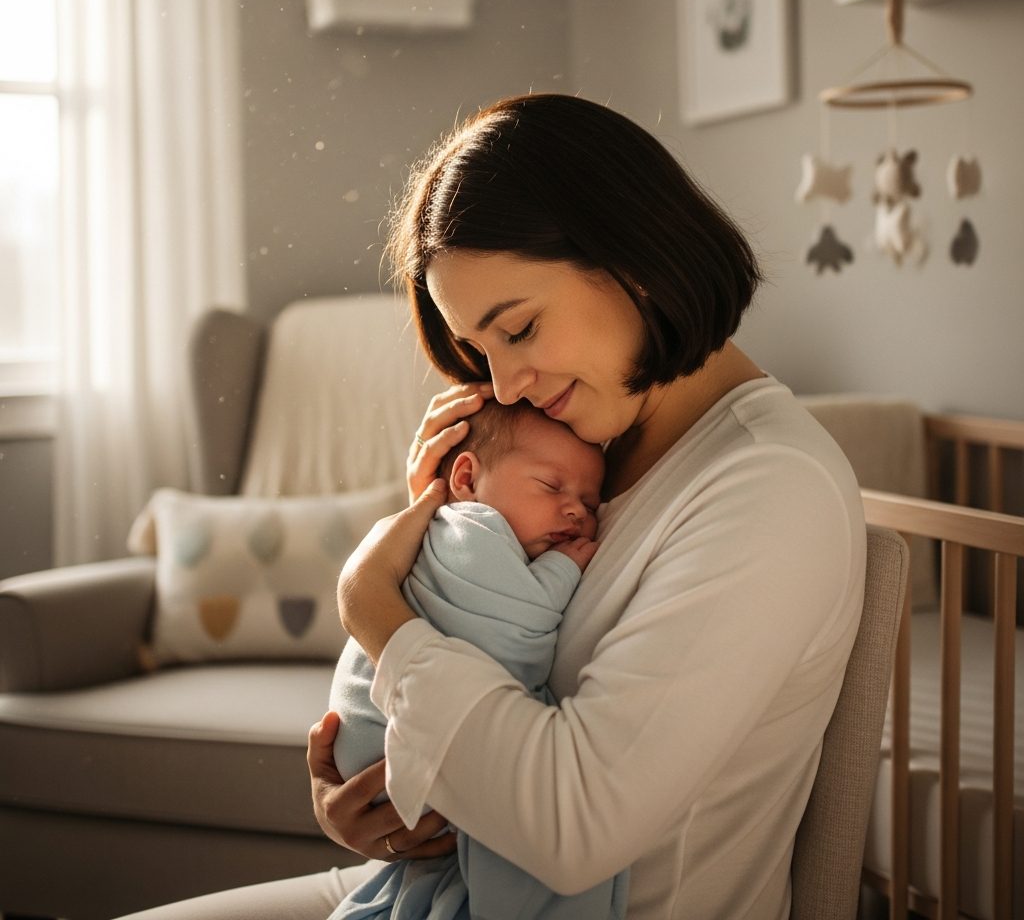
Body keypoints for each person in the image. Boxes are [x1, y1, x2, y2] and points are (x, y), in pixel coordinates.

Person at [117, 93, 865, 920]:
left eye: (520, 329)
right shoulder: (580, 450)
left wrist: (375, 607)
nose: (504, 384)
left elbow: (573, 826)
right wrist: (378, 778)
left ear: (635, 259)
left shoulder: (768, 489)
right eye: (479, 349)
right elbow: (483, 676)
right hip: (438, 885)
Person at [327, 397, 628, 919]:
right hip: (384, 748)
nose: (578, 510)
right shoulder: (469, 529)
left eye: (590, 500)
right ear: (464, 479)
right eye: (552, 487)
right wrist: (559, 571)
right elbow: (512, 618)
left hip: (395, 770)